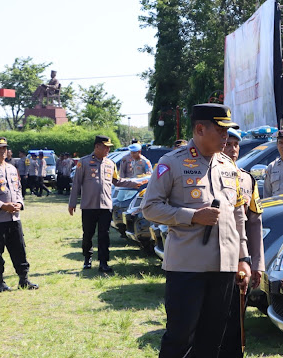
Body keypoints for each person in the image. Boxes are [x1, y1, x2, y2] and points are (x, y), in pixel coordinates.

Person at [141, 103, 251, 358]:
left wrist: (243, 258)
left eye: (228, 132)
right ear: (200, 129)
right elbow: (150, 208)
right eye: (221, 131)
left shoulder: (228, 165)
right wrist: (192, 216)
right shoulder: (172, 163)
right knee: (180, 338)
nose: (226, 137)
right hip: (187, 268)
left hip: (223, 267)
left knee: (212, 339)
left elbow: (237, 214)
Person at [220, 128, 265, 358]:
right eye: (228, 144)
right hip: (215, 259)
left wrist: (257, 264)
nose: (233, 149)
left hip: (241, 260)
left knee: (236, 319)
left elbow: (255, 223)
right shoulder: (209, 176)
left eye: (236, 145)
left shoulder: (247, 179)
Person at [68, 136, 140, 272]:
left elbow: (117, 181)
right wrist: (72, 203)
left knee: (104, 235)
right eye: (105, 146)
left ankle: (103, 262)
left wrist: (134, 183)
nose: (108, 149)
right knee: (88, 234)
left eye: (109, 147)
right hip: (89, 206)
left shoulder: (110, 163)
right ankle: (87, 258)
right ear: (97, 147)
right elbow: (76, 183)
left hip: (105, 206)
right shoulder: (84, 162)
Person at [0, 137, 39, 292]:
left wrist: (20, 203)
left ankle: (23, 280)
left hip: (14, 218)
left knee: (19, 249)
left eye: (5, 148)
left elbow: (18, 190)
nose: (3, 151)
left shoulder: (12, 168)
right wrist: (2, 206)